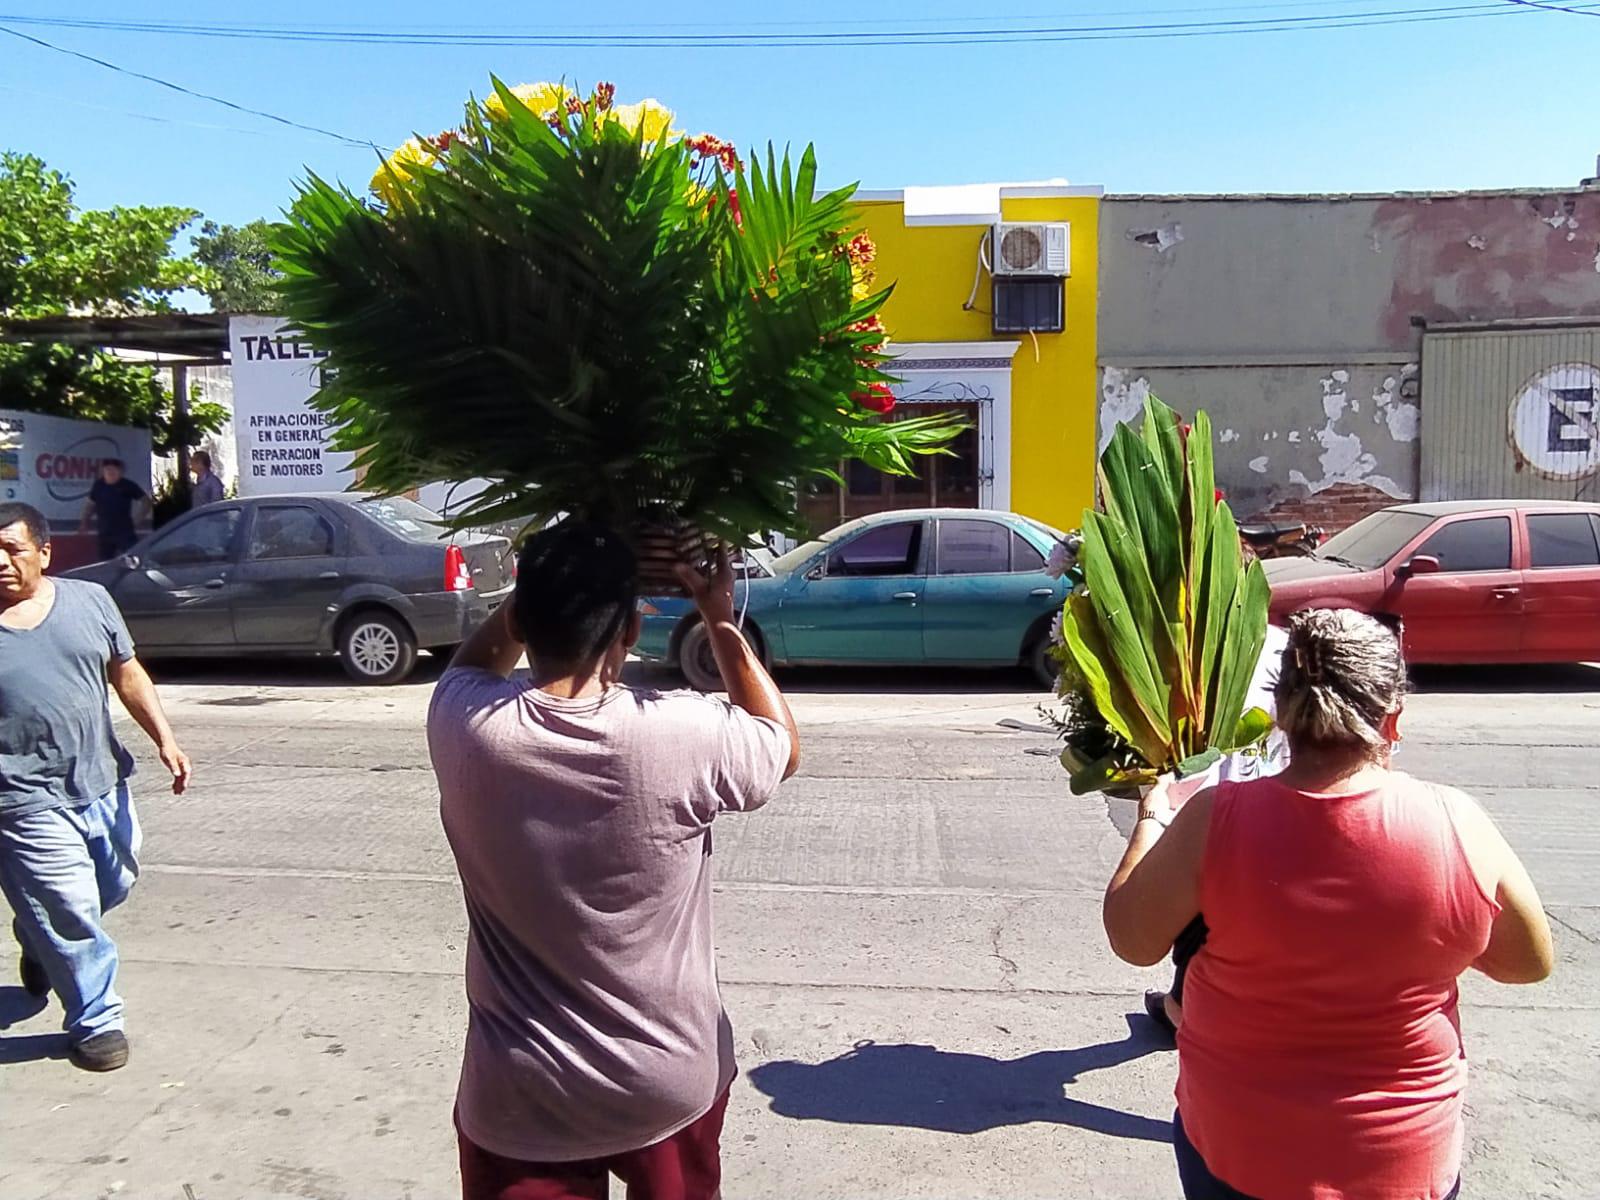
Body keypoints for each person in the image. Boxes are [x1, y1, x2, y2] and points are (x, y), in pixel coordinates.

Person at [1104, 607, 1553, 1200]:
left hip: (1240, 1146)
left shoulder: (1215, 819)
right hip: (1400, 1159)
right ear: (1393, 717)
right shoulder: (1457, 822)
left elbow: (1133, 939)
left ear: (1280, 713)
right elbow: (1527, 962)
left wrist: (1152, 816)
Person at [427, 520, 799, 1200]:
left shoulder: (464, 724)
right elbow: (781, 742)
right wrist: (719, 617)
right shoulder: (684, 731)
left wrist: (537, 588)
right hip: (666, 1077)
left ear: (521, 617)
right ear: (629, 628)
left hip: (521, 1094)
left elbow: (473, 666)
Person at [0, 502, 193, 1072]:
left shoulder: (90, 601)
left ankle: (37, 937)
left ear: (44, 552)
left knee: (115, 882)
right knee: (70, 909)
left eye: (12, 549)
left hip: (102, 780)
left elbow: (126, 672)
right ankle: (96, 1022)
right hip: (22, 797)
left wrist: (165, 738)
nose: (1, 561)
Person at [1143, 621, 1291, 1040]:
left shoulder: (1274, 648)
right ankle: (1182, 1001)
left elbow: (1132, 938)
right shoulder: (1285, 647)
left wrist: (1150, 816)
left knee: (1209, 916)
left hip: (1218, 816)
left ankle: (1183, 1007)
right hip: (1267, 814)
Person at [78, 458, 150, 561]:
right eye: (108, 469)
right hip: (104, 532)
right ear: (103, 471)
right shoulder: (98, 485)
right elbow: (90, 505)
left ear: (121, 471)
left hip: (125, 532)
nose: (111, 472)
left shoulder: (127, 485)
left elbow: (146, 502)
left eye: (114, 470)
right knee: (105, 562)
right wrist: (84, 522)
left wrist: (137, 519)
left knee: (134, 558)